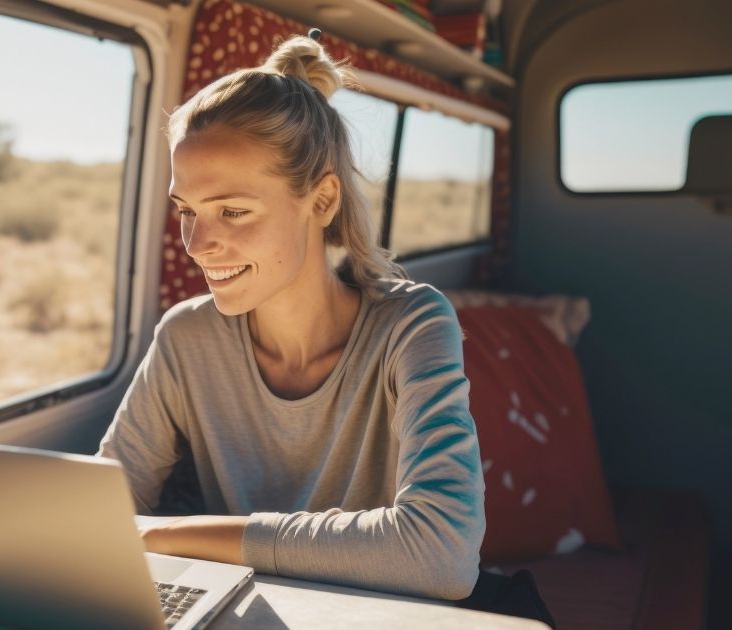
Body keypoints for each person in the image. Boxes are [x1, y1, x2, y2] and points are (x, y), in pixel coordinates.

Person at [96, 32, 487, 601]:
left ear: (322, 201)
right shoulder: (186, 337)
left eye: (233, 211)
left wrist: (162, 535)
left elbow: (443, 555)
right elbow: (103, 513)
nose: (196, 244)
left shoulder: (413, 325)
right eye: (187, 211)